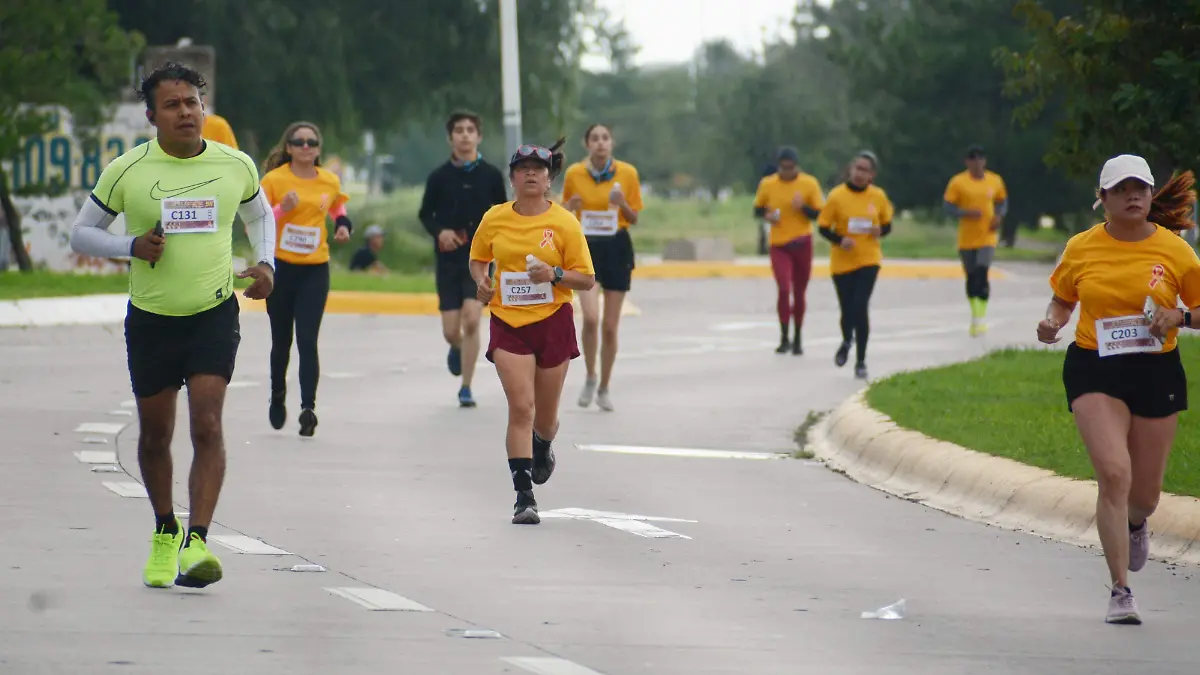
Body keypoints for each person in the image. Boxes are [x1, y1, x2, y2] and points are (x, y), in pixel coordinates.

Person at [67, 62, 276, 589]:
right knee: (156, 434)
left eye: (192, 103)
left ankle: (197, 542)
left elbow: (259, 215)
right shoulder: (127, 170)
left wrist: (266, 263)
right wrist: (131, 246)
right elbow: (81, 234)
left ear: (203, 108)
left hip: (212, 314)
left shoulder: (235, 164)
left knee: (207, 425)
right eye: (172, 105)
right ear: (151, 116)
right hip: (153, 320)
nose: (185, 112)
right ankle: (165, 529)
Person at [1037, 155, 1200, 625]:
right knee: (1113, 473)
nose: (1133, 196)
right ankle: (1120, 591)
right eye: (1121, 189)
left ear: (1150, 196)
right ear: (1102, 199)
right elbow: (1063, 298)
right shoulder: (1081, 247)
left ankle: (1135, 522)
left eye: (1140, 189)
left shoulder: (1176, 251)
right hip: (1095, 367)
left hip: (1155, 370)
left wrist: (1179, 317)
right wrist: (1051, 322)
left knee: (1145, 495)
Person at [469, 139, 595, 524]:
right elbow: (478, 259)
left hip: (553, 321)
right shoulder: (494, 218)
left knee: (545, 418)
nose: (530, 175)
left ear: (548, 179)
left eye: (537, 170)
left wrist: (553, 273)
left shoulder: (564, 223)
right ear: (512, 178)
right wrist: (482, 281)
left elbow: (586, 279)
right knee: (521, 407)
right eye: (522, 169)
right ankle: (524, 496)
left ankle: (543, 444)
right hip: (509, 322)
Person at [259, 121, 353, 437]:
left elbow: (338, 209)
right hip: (281, 268)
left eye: (311, 142)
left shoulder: (328, 180)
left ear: (318, 148)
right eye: (298, 142)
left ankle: (307, 408)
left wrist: (343, 226)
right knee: (282, 340)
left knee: (308, 339)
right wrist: (280, 210)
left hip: (315, 269)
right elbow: (255, 222)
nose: (305, 147)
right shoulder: (274, 180)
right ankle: (277, 395)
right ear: (288, 148)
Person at [418, 110, 509, 408]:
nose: (465, 135)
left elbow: (503, 213)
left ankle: (466, 387)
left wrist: (498, 244)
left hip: (480, 259)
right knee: (450, 330)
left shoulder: (491, 175)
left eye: (471, 130)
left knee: (472, 319)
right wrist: (440, 232)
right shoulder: (439, 177)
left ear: (479, 136)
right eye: (459, 130)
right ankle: (455, 347)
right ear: (450, 138)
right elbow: (425, 214)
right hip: (448, 261)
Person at [561, 123, 643, 411]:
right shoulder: (574, 173)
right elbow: (563, 214)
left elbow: (634, 218)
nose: (600, 143)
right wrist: (570, 206)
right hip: (586, 248)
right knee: (591, 318)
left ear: (612, 143)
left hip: (617, 247)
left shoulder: (627, 173)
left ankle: (605, 386)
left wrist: (622, 204)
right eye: (594, 138)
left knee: (609, 326)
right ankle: (590, 376)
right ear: (587, 144)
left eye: (605, 138)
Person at [817, 150, 894, 380]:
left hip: (868, 259)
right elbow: (823, 227)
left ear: (872, 175)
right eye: (857, 168)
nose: (860, 174)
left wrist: (880, 231)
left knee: (860, 306)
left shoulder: (878, 196)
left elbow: (887, 225)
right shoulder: (837, 196)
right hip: (842, 262)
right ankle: (846, 340)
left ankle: (861, 360)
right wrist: (840, 240)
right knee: (847, 309)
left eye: (865, 170)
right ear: (850, 170)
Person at [753, 146, 826, 354]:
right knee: (784, 288)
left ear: (797, 167)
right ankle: (784, 336)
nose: (787, 172)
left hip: (802, 242)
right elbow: (757, 209)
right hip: (779, 244)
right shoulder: (768, 184)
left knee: (799, 291)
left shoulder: (809, 184)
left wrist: (803, 207)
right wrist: (767, 216)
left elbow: (819, 214)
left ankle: (798, 337)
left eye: (790, 168)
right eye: (783, 168)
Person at [943, 144, 1008, 336]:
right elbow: (948, 207)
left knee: (982, 270)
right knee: (971, 276)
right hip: (966, 238)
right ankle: (975, 315)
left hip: (987, 236)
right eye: (973, 159)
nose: (977, 163)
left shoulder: (994, 180)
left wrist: (999, 216)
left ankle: (981, 316)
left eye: (980, 159)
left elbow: (1002, 201)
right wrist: (965, 213)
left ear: (984, 161)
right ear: (967, 162)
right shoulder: (958, 182)